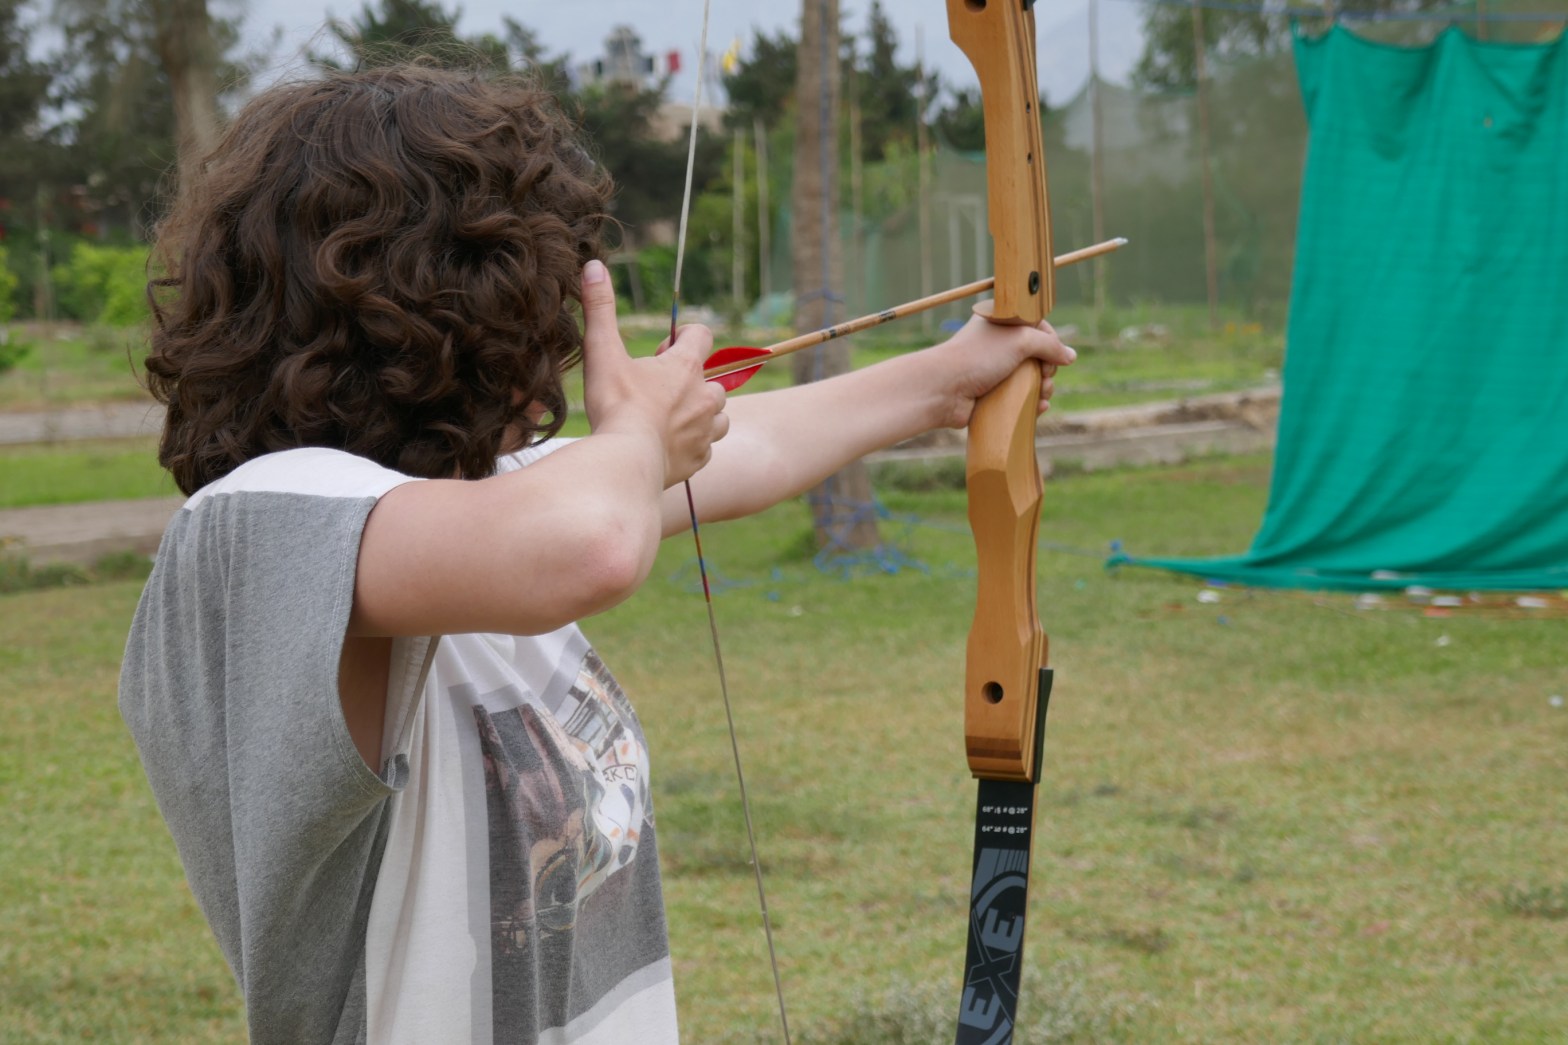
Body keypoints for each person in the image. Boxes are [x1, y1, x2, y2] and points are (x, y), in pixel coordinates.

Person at [118, 64, 1074, 1045]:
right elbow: (596, 544)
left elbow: (746, 449)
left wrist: (950, 378)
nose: (553, 350)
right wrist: (638, 433)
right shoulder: (254, 529)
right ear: (441, 309)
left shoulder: (478, 508)